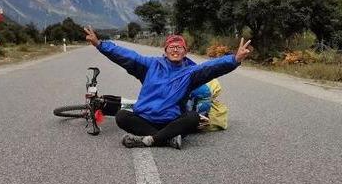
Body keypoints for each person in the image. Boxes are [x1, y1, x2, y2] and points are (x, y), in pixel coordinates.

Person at [83, 26, 251, 149]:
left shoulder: (190, 73)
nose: (175, 49)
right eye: (172, 47)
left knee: (193, 118)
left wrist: (234, 59)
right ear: (165, 51)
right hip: (146, 119)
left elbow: (211, 67)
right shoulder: (150, 66)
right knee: (121, 116)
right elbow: (126, 55)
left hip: (172, 121)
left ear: (185, 52)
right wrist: (100, 44)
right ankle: (166, 139)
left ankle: (149, 140)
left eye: (179, 47)